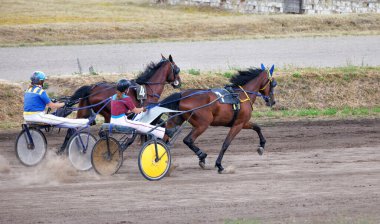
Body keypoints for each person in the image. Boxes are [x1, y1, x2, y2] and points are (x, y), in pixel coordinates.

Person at [110, 79, 176, 139]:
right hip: (122, 122)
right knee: (142, 125)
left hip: (113, 121)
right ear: (125, 90)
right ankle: (166, 132)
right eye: (128, 88)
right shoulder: (126, 98)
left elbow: (122, 110)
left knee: (138, 125)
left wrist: (133, 110)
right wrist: (143, 108)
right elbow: (136, 111)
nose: (129, 89)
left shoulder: (114, 96)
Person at [23, 71, 90, 128]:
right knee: (62, 120)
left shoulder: (28, 90)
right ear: (40, 81)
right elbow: (52, 106)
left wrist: (51, 100)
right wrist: (64, 103)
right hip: (37, 116)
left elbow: (36, 102)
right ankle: (85, 122)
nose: (44, 82)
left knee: (58, 119)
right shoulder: (41, 92)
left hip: (26, 116)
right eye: (43, 80)